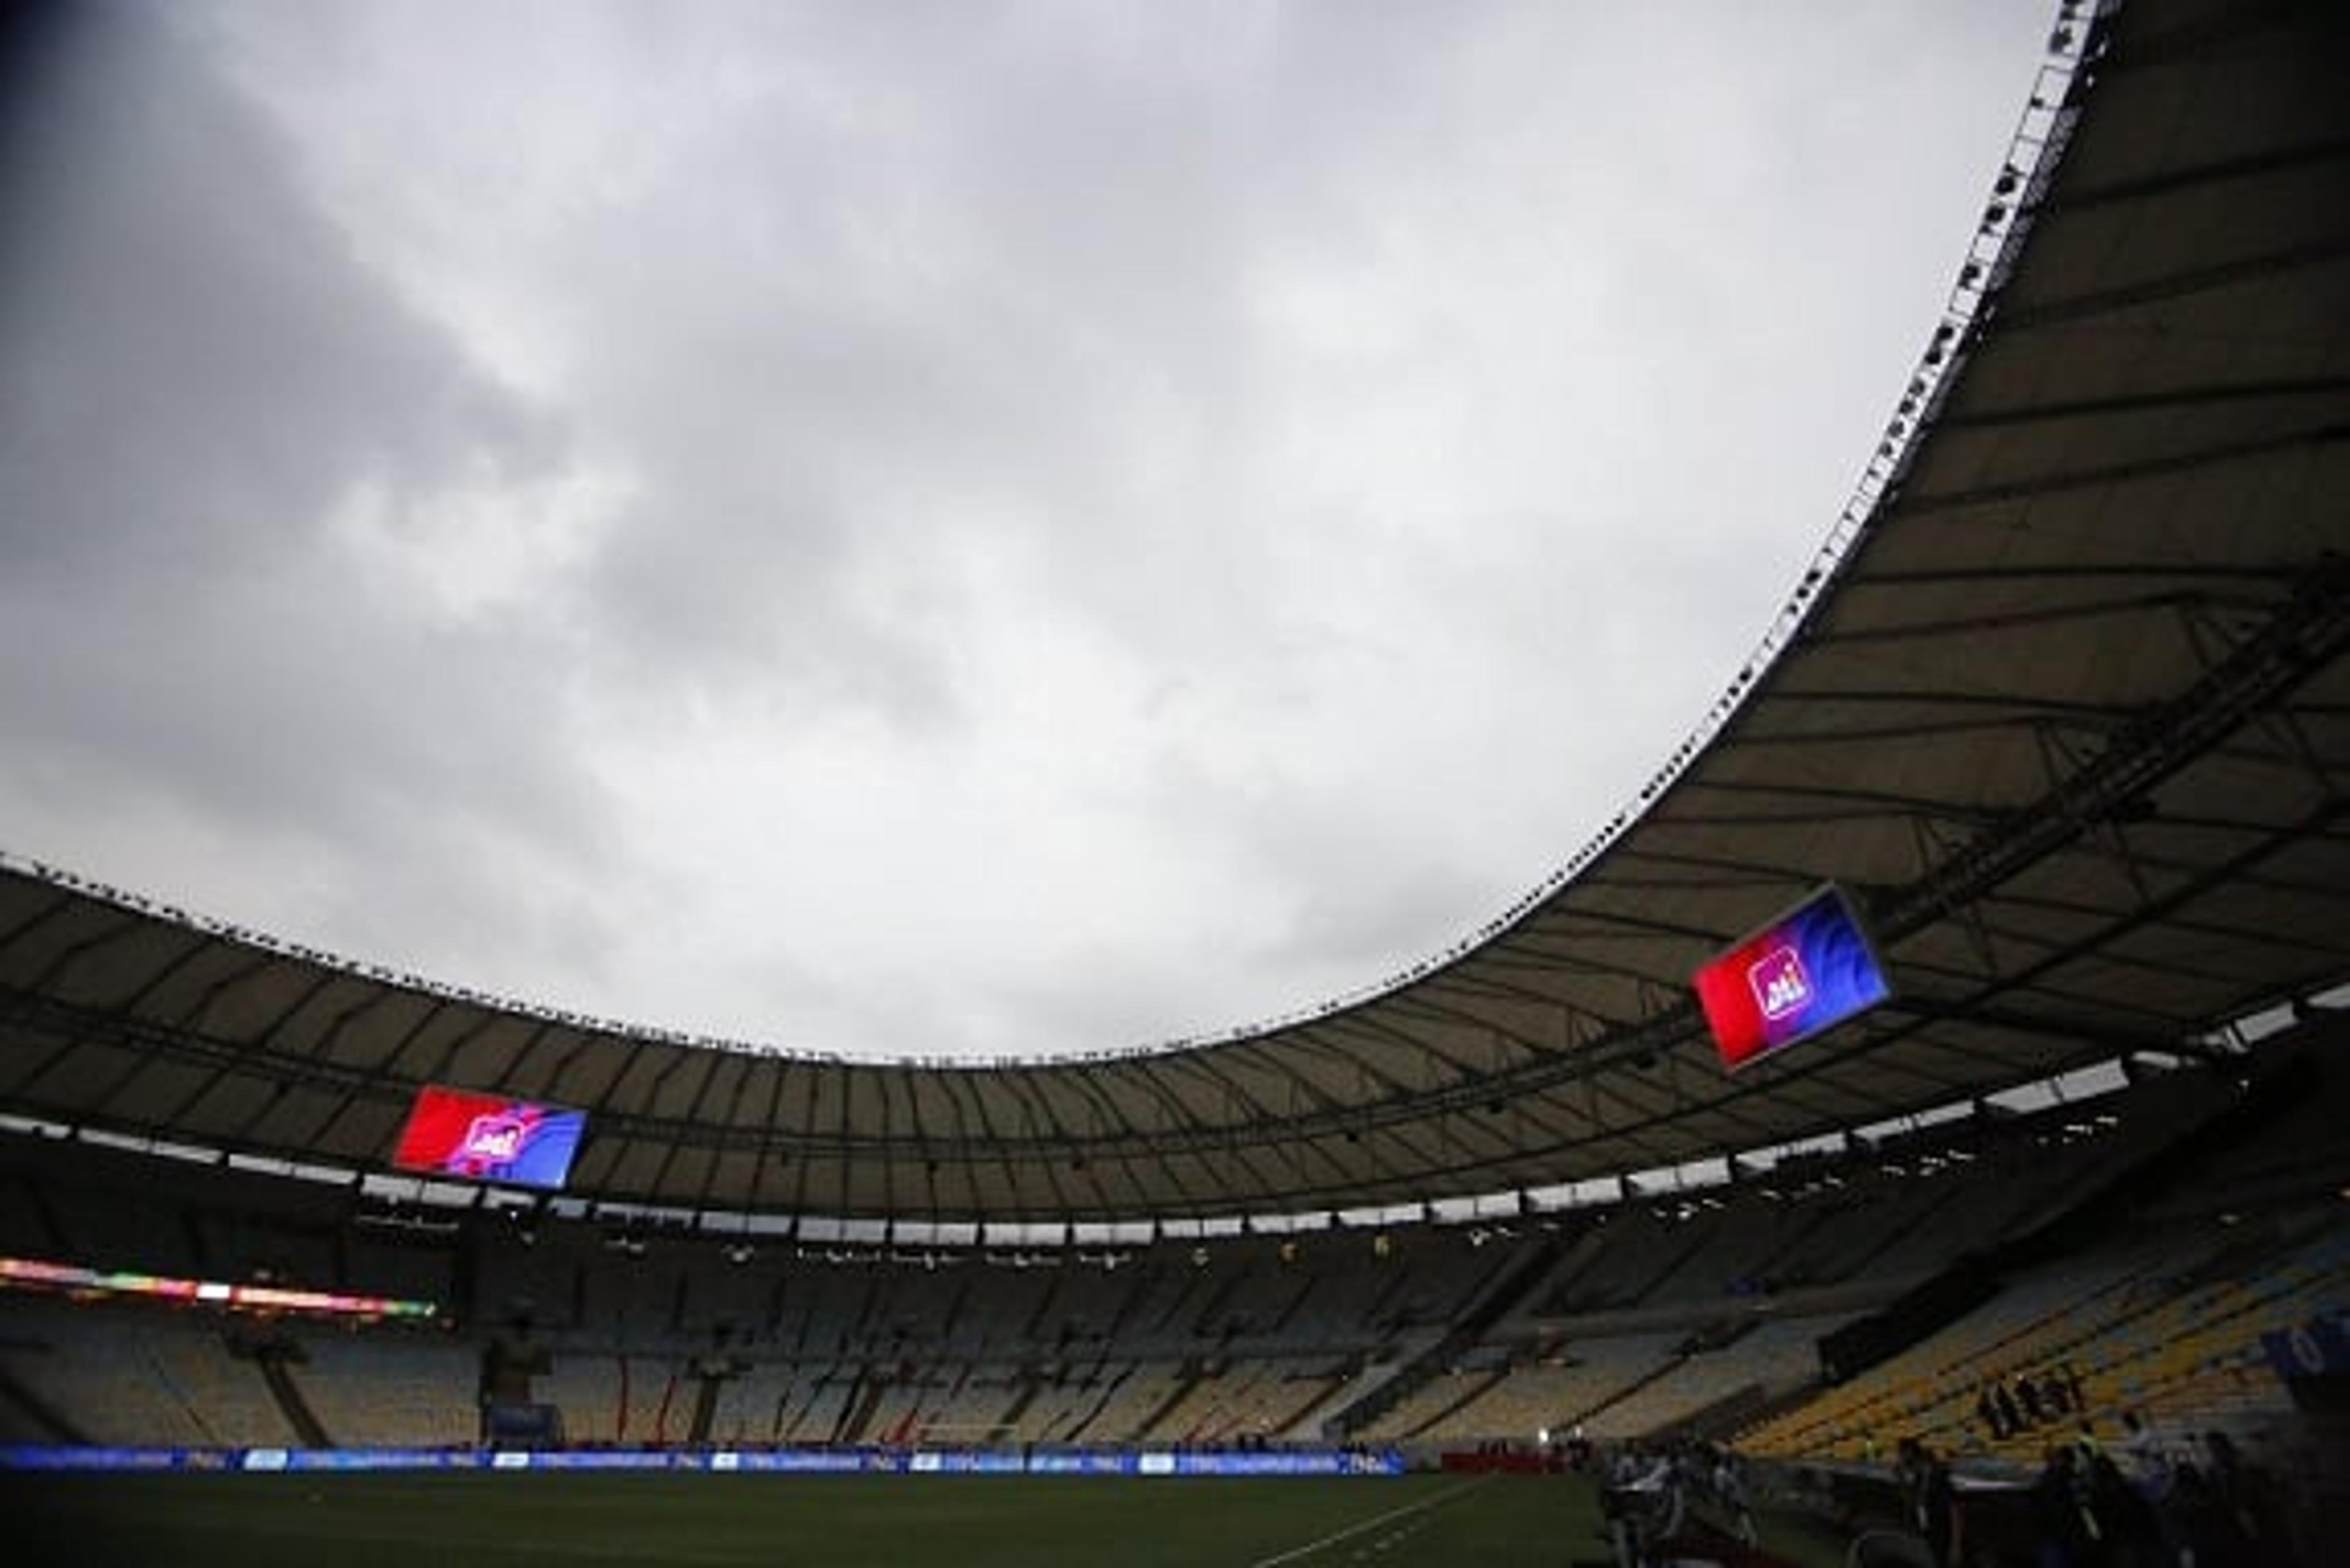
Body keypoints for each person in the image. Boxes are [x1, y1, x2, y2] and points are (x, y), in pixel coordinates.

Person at [1897, 1437, 1959, 1568]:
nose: (1900, 1459)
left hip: (1943, 1530)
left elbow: (1953, 1509)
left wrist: (1956, 1544)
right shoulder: (1912, 1477)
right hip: (1926, 1530)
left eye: (1902, 1454)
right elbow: (1910, 1500)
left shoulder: (1936, 1476)